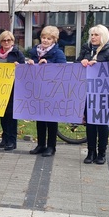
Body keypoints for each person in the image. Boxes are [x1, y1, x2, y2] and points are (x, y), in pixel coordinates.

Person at [78, 24, 109, 165]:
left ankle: (102, 153)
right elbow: (77, 70)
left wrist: (99, 67)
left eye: (96, 35)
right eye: (92, 35)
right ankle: (91, 152)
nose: (93, 37)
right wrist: (81, 62)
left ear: (104, 37)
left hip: (104, 96)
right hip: (88, 94)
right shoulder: (86, 50)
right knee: (90, 125)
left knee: (102, 125)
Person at [26, 25, 67, 156]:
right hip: (38, 90)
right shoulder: (34, 52)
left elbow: (62, 70)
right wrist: (29, 64)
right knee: (40, 119)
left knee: (51, 120)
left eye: (49, 38)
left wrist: (48, 65)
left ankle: (51, 146)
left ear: (54, 40)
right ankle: (40, 144)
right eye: (43, 37)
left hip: (52, 91)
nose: (45, 40)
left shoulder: (58, 53)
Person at [0, 30, 24, 151]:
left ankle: (12, 141)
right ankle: (4, 138)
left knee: (11, 115)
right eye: (4, 40)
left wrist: (19, 66)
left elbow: (25, 71)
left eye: (9, 40)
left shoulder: (17, 54)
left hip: (12, 89)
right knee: (2, 114)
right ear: (0, 42)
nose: (7, 42)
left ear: (13, 41)